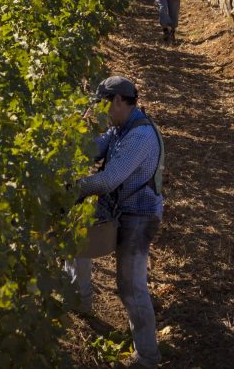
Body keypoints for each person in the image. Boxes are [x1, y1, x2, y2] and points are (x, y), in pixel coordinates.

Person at [66, 76, 165, 368]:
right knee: (75, 240)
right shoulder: (121, 127)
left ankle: (147, 356)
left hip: (140, 216)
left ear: (119, 101)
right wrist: (70, 135)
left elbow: (108, 180)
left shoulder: (139, 135)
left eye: (103, 105)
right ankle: (80, 300)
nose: (101, 112)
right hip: (122, 210)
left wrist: (74, 187)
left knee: (130, 285)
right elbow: (94, 149)